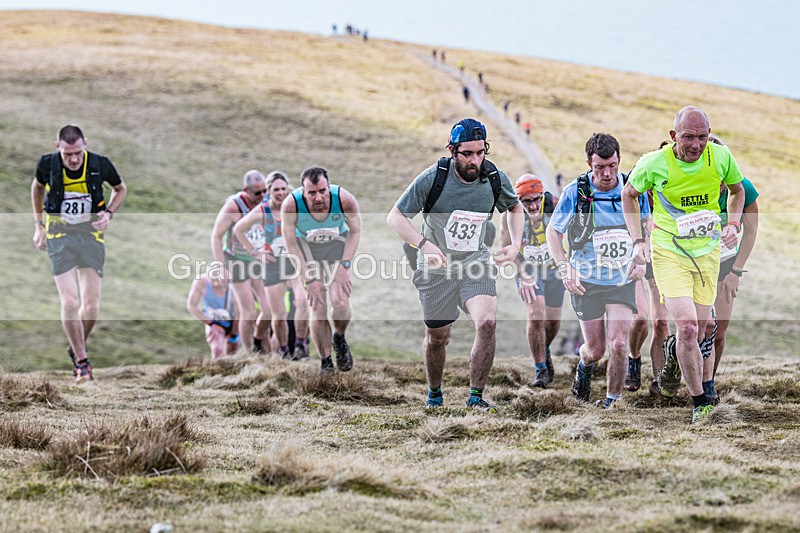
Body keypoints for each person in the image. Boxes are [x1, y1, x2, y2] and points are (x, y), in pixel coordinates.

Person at [387, 118, 525, 412]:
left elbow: (514, 207)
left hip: (476, 263)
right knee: (437, 338)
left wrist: (515, 244)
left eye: (480, 152)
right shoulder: (433, 178)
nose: (475, 160)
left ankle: (476, 397)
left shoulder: (495, 178)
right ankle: (435, 395)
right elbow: (396, 217)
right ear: (452, 150)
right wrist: (424, 245)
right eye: (467, 154)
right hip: (436, 269)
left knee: (487, 323)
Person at [622, 106, 745, 424]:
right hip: (669, 254)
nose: (696, 145)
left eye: (703, 137)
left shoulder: (720, 157)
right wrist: (638, 241)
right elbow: (629, 194)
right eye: (689, 137)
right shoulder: (654, 163)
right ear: (673, 136)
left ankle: (678, 356)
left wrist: (732, 223)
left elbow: (737, 190)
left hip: (707, 255)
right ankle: (700, 402)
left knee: (703, 329)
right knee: (688, 326)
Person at [546, 133, 650, 408]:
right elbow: (553, 232)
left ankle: (612, 402)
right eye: (600, 167)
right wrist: (564, 267)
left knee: (618, 344)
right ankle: (584, 366)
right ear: (589, 164)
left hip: (621, 279)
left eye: (612, 165)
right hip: (586, 281)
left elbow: (647, 222)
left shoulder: (631, 188)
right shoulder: (576, 191)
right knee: (596, 350)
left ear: (619, 160)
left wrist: (643, 255)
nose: (607, 173)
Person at [31, 125, 127, 382]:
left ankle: (76, 348)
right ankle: (82, 363)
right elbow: (37, 187)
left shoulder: (100, 164)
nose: (73, 159)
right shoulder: (47, 164)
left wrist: (109, 213)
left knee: (92, 305)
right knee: (71, 302)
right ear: (57, 147)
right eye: (67, 153)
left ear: (86, 143)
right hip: (59, 235)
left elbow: (121, 189)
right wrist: (39, 225)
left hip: (90, 236)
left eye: (77, 152)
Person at [281, 167, 361, 374]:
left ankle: (339, 337)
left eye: (322, 191)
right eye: (312, 193)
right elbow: (291, 245)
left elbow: (355, 231)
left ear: (329, 187)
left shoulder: (345, 200)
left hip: (337, 250)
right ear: (303, 191)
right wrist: (309, 277)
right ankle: (326, 362)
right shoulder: (291, 205)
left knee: (340, 301)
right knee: (318, 305)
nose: (318, 198)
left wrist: (345, 266)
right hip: (308, 252)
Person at [702, 133, 759, 401]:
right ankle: (686, 368)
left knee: (719, 331)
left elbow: (751, 231)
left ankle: (709, 381)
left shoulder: (743, 188)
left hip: (726, 264)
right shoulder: (695, 186)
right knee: (697, 325)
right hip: (695, 263)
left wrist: (736, 271)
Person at [233, 171, 311, 360]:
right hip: (273, 265)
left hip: (293, 261)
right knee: (279, 314)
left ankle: (300, 345)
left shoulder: (294, 207)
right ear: (269, 190)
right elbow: (238, 229)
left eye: (284, 188)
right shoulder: (263, 210)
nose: (280, 193)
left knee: (302, 302)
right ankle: (283, 351)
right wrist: (255, 252)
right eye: (276, 189)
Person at [500, 175, 564, 388]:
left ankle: (543, 349)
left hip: (554, 270)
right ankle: (541, 371)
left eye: (536, 199)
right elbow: (507, 246)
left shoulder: (554, 204)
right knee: (536, 315)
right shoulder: (510, 213)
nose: (534, 205)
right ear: (519, 200)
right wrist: (522, 274)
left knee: (553, 323)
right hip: (529, 270)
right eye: (527, 201)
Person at [210, 170, 272, 351]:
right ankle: (250, 353)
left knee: (268, 310)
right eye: (257, 192)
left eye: (264, 191)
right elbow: (216, 236)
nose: (262, 196)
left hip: (258, 259)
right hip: (236, 260)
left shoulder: (267, 202)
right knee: (249, 311)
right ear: (246, 189)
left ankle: (259, 339)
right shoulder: (233, 207)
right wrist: (221, 266)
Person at [187, 273, 239, 359]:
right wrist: (210, 323)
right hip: (214, 322)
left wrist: (234, 334)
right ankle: (216, 369)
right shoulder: (201, 281)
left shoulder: (235, 286)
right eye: (213, 280)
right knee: (217, 350)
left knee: (232, 355)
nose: (217, 283)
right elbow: (191, 305)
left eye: (222, 281)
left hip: (234, 323)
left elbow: (239, 314)